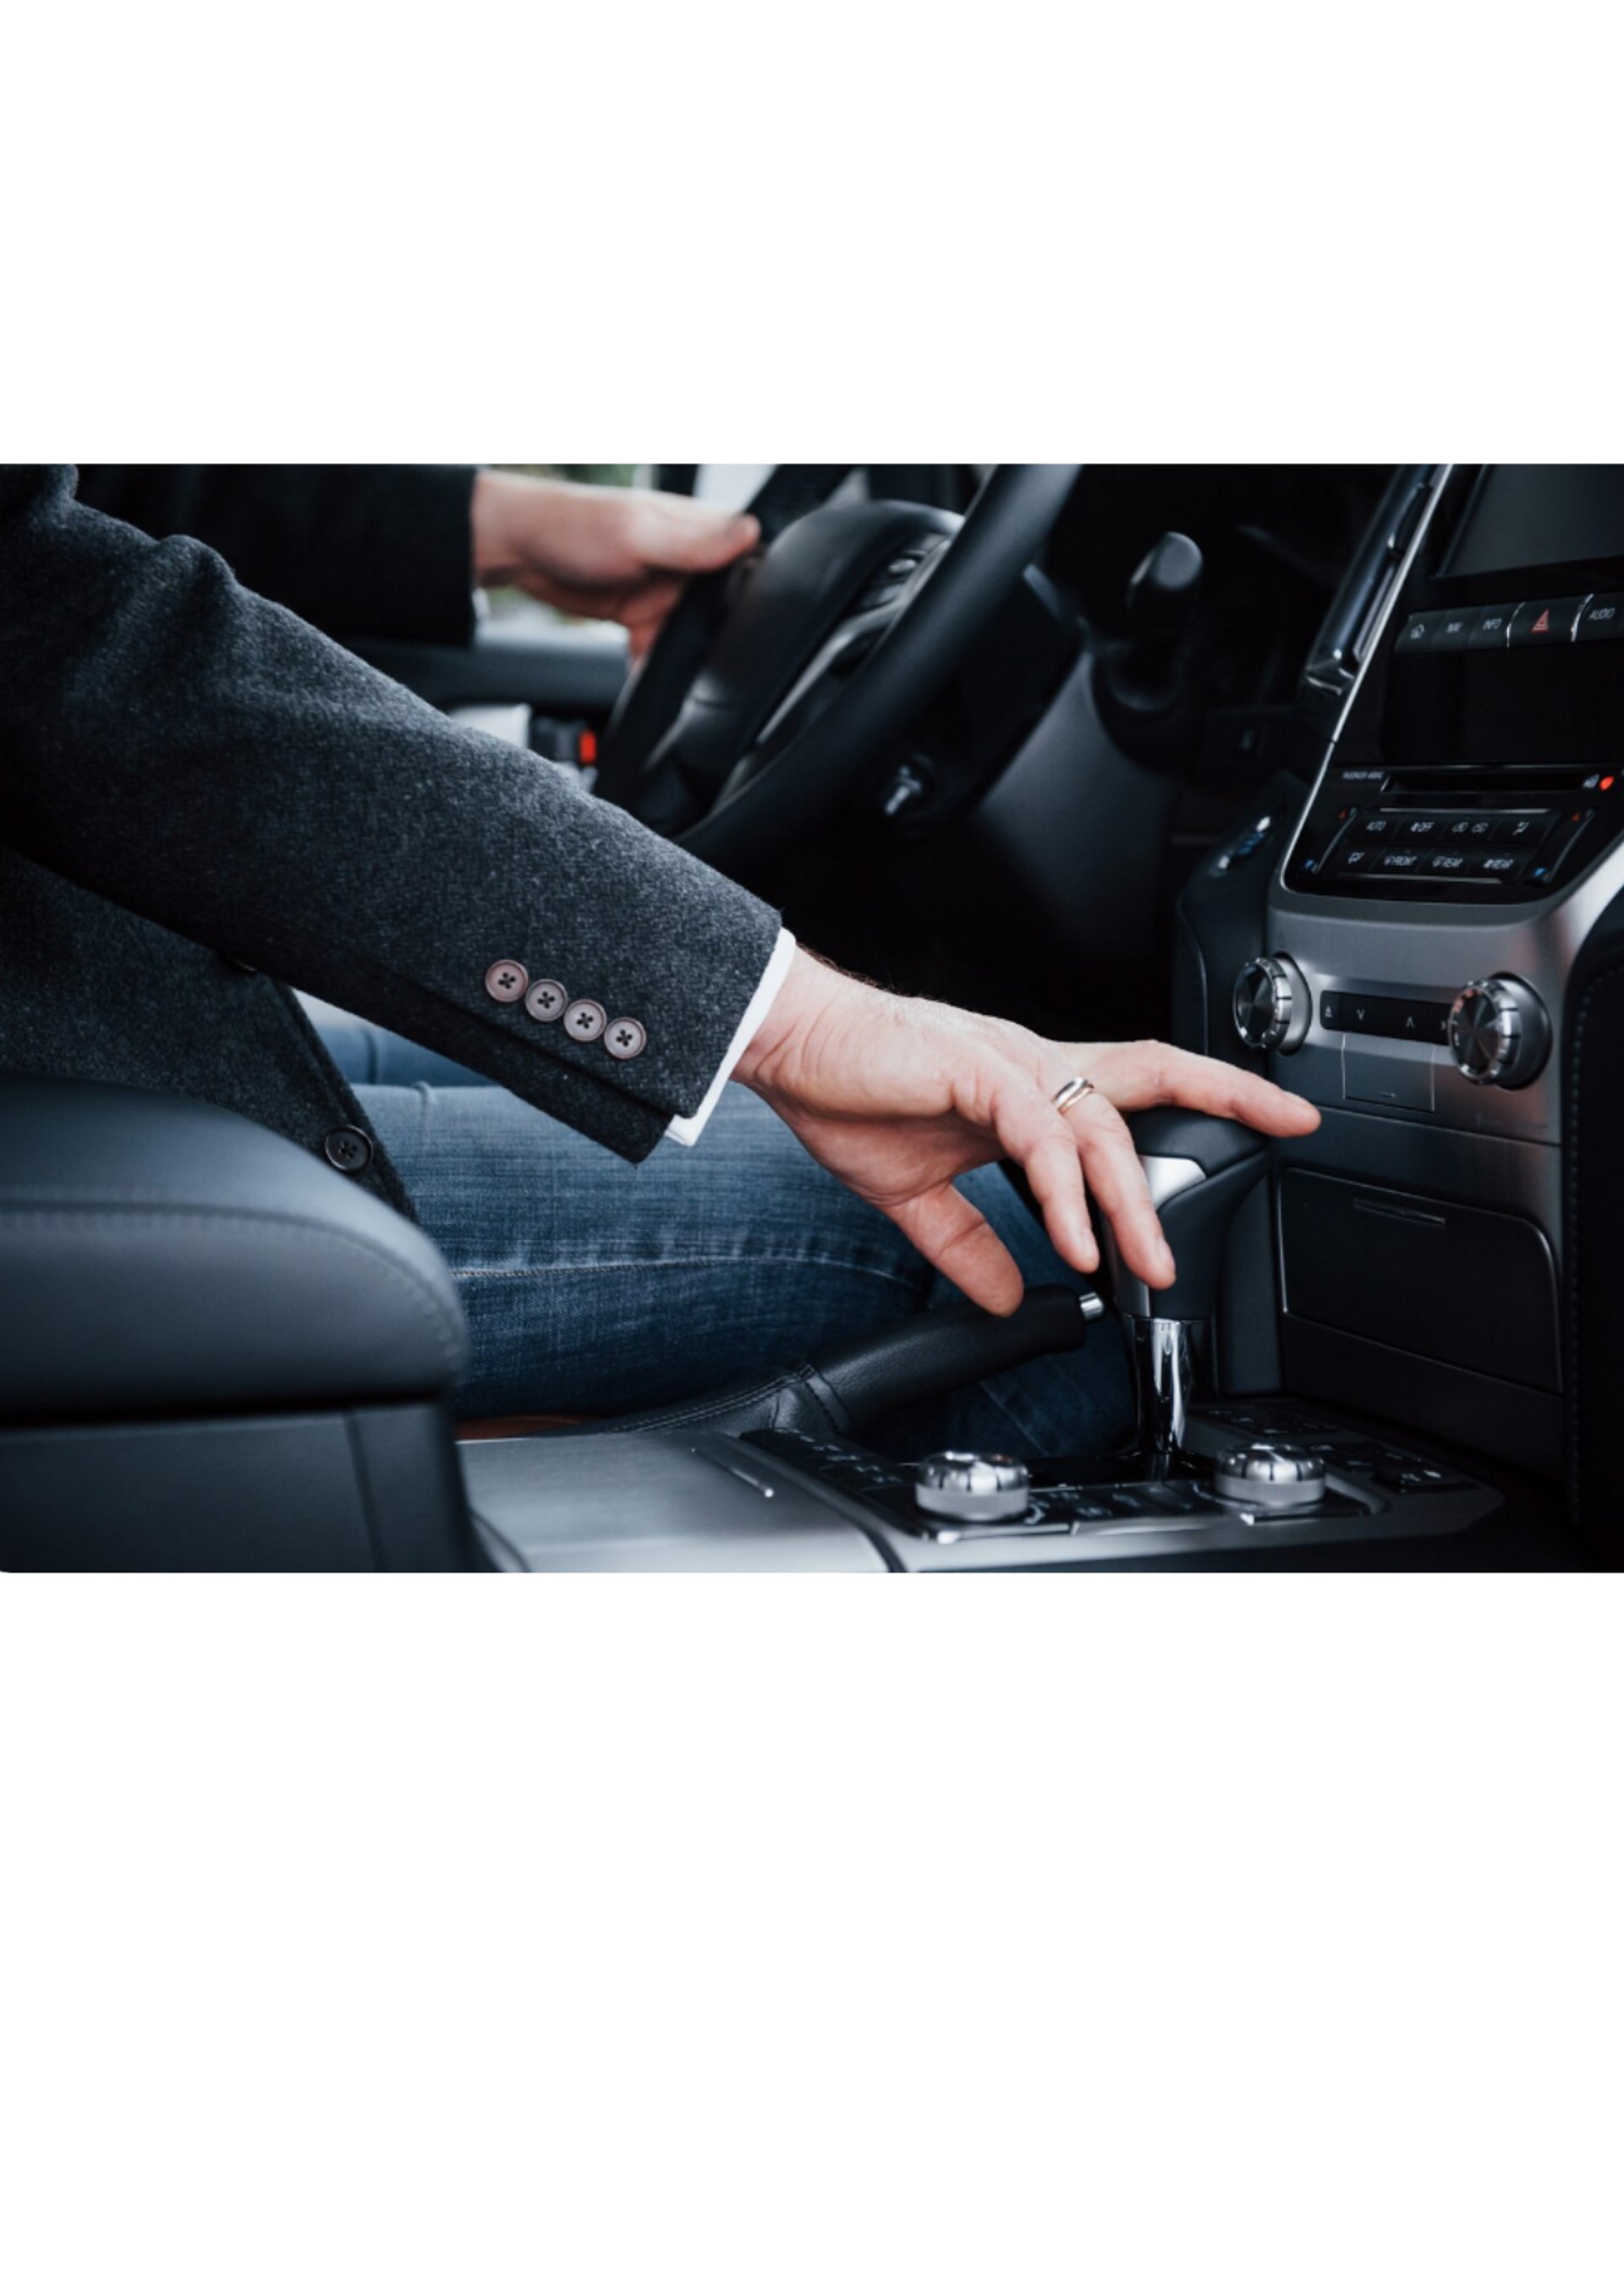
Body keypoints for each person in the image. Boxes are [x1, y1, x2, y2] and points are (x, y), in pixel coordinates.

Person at [2, 466, 1319, 1452]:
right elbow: (60, 632)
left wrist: (502, 526)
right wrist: (792, 1022)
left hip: (62, 995)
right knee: (1016, 1244)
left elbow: (80, 515)